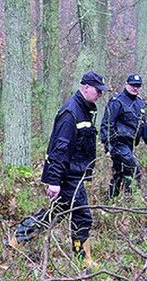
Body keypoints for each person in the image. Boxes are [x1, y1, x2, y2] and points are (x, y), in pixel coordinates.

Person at [9, 71, 108, 266]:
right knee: (82, 215)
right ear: (85, 87)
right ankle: (83, 259)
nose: (100, 95)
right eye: (98, 90)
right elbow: (59, 149)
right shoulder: (70, 112)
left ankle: (17, 240)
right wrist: (54, 181)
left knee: (55, 212)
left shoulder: (85, 111)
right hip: (68, 176)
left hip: (75, 174)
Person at [99, 74, 147, 198]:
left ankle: (111, 198)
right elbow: (107, 123)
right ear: (126, 84)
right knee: (134, 169)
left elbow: (144, 126)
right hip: (118, 143)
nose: (135, 88)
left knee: (119, 173)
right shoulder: (117, 101)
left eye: (138, 86)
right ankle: (132, 197)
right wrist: (107, 142)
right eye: (132, 85)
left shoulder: (140, 103)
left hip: (130, 144)